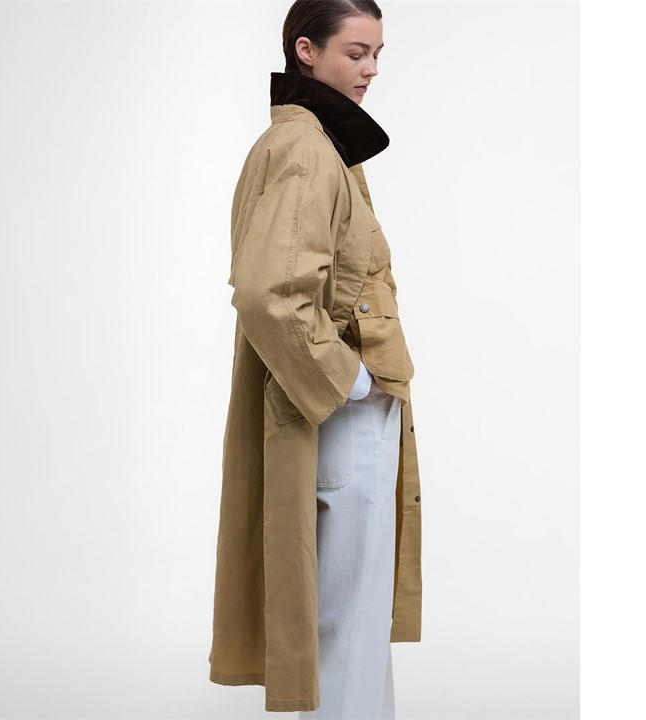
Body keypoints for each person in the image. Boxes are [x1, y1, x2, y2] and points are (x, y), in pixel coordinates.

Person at [209, 2, 423, 717]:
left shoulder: (322, 141)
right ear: (306, 50)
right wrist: (352, 381)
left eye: (377, 54)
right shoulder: (306, 147)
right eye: (356, 53)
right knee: (346, 623)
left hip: (339, 409)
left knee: (354, 616)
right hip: (337, 414)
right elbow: (268, 291)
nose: (371, 70)